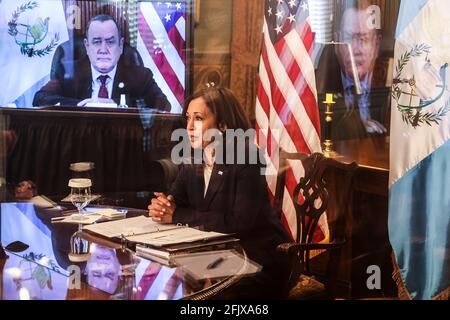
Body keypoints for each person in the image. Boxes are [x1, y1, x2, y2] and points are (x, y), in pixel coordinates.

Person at [148, 87, 291, 299]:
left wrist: (176, 215)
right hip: (212, 255)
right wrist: (161, 207)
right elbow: (175, 201)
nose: (188, 127)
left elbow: (239, 223)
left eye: (198, 119)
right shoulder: (193, 158)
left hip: (255, 259)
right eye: (187, 118)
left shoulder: (246, 157)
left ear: (223, 125)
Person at [33, 14, 171, 111]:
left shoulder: (141, 76)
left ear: (121, 46)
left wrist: (116, 106)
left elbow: (164, 105)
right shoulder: (68, 72)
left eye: (110, 42)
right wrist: (82, 105)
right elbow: (40, 99)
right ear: (87, 46)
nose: (103, 50)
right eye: (97, 42)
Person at [317, 1, 390, 140]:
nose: (355, 50)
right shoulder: (319, 84)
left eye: (363, 39)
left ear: (376, 45)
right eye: (349, 38)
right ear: (337, 43)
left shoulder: (392, 85)